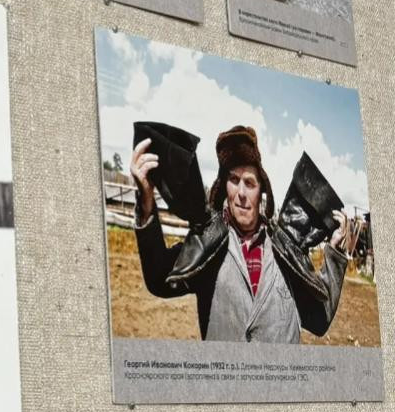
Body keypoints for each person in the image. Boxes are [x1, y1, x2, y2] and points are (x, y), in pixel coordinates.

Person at [131, 124, 349, 343]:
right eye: (234, 180)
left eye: (250, 183)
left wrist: (334, 256)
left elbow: (319, 320)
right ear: (225, 187)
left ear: (261, 191)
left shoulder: (286, 252)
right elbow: (159, 279)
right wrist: (147, 203)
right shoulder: (209, 245)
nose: (241, 193)